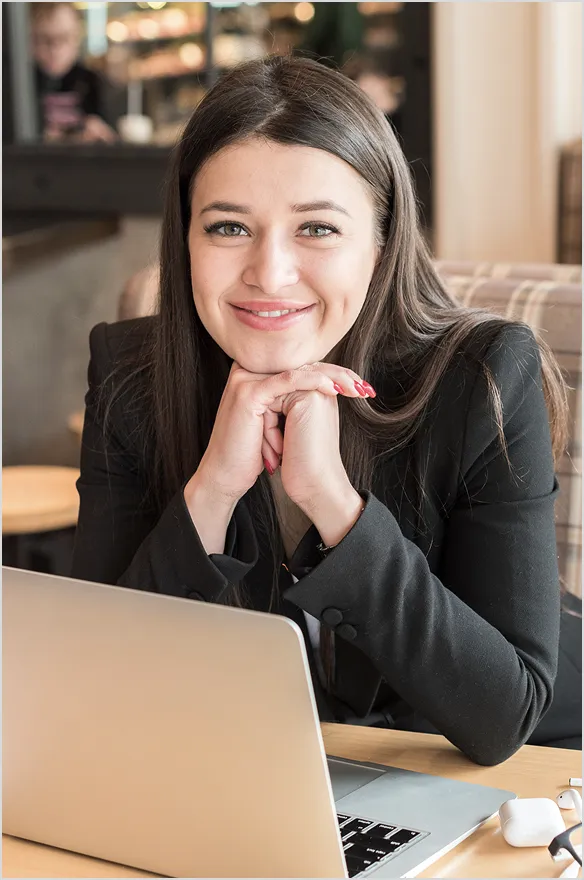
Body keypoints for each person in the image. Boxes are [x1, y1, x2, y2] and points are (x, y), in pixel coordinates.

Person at [72, 55, 574, 766]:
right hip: (288, 785)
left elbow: (503, 718)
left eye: (317, 229)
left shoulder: (483, 374)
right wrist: (210, 491)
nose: (269, 273)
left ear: (381, 240)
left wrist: (333, 503)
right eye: (227, 228)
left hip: (523, 774)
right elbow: (94, 689)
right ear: (184, 239)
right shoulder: (130, 377)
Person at [30, 2, 117, 143]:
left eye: (64, 38)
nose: (54, 49)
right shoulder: (19, 84)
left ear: (77, 39)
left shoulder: (95, 82)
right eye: (44, 40)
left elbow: (114, 137)